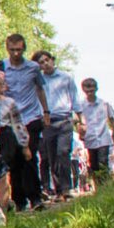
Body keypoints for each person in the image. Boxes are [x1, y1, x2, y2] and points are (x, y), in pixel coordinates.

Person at [0, 34, 48, 211]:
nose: (16, 53)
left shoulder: (33, 68)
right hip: (9, 119)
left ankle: (35, 197)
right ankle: (19, 199)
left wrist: (46, 111)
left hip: (30, 116)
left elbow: (40, 89)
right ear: (7, 49)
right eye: (12, 50)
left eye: (19, 50)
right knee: (13, 160)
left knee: (29, 156)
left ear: (24, 49)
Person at [0, 69, 29, 223]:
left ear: (2, 86)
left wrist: (24, 144)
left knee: (4, 173)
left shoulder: (9, 103)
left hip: (6, 137)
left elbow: (18, 124)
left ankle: (3, 206)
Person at [36, 52, 79, 203]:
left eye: (47, 60)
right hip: (47, 121)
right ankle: (59, 190)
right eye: (41, 62)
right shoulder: (38, 80)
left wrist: (80, 119)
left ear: (52, 60)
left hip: (64, 119)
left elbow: (74, 97)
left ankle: (67, 188)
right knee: (52, 156)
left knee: (63, 152)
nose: (45, 64)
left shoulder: (66, 77)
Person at [77, 78, 114, 186]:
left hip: (103, 138)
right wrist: (81, 131)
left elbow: (111, 119)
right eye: (87, 91)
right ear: (83, 90)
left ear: (96, 89)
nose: (90, 93)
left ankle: (105, 185)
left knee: (103, 162)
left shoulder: (104, 104)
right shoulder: (81, 105)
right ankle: (98, 186)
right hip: (90, 138)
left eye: (92, 90)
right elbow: (77, 121)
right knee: (93, 164)